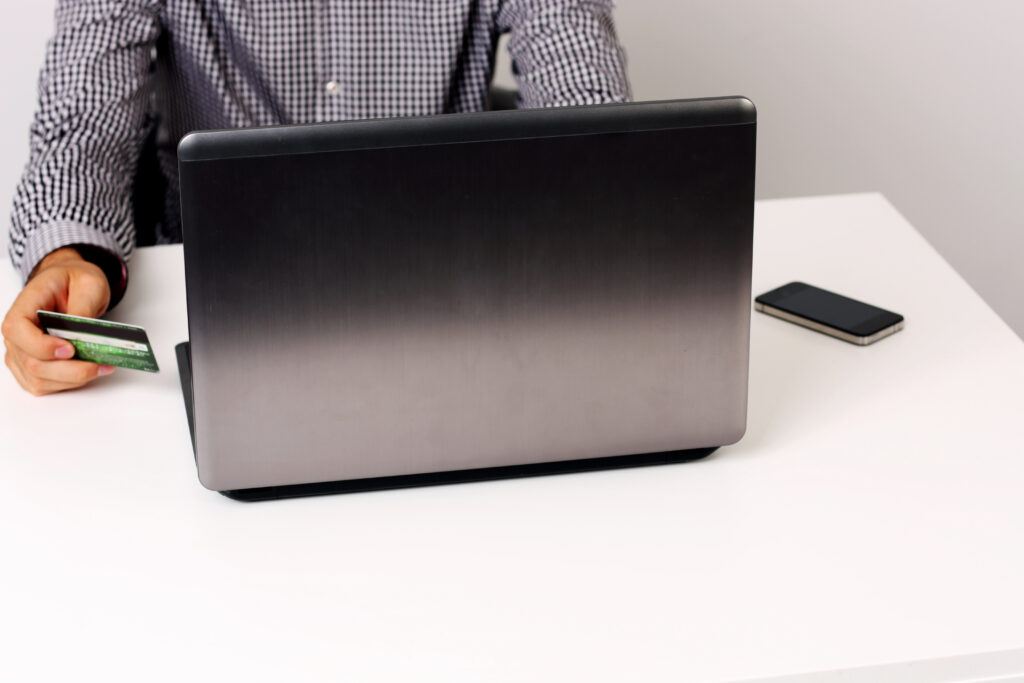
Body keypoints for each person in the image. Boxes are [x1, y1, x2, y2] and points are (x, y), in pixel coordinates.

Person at [2, 0, 630, 396]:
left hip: (448, 297)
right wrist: (68, 255)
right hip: (224, 296)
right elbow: (84, 116)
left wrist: (602, 215)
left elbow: (580, 80)